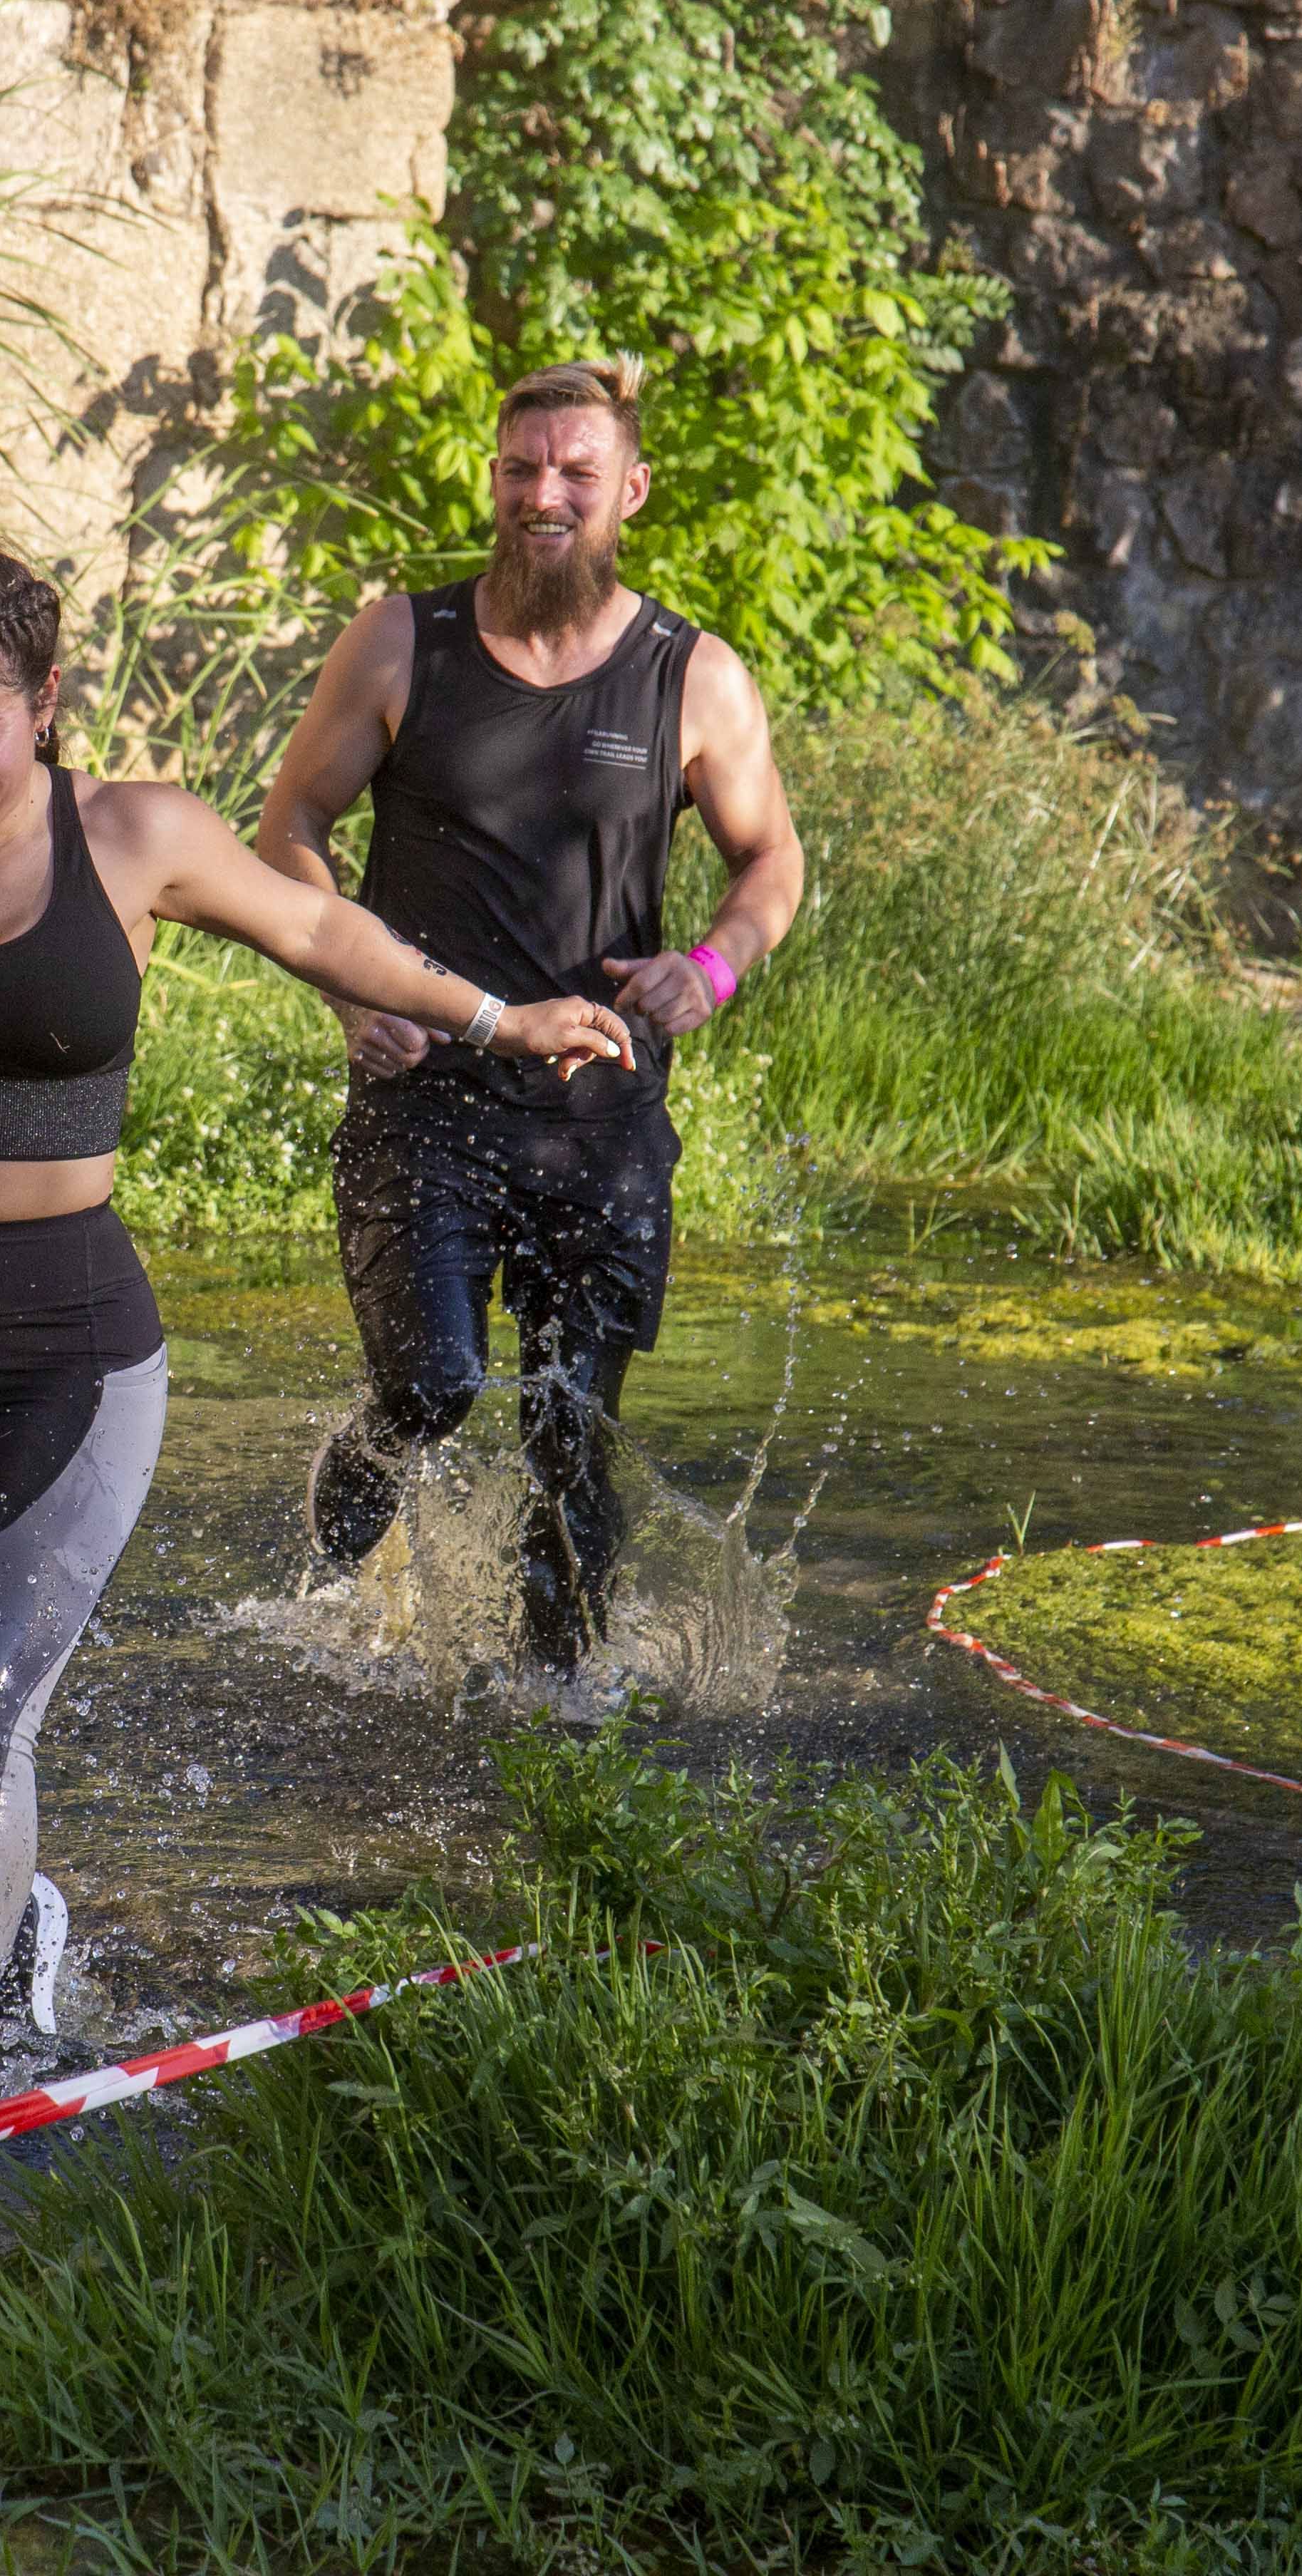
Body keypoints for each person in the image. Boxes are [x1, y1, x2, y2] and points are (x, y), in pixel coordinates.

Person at [0, 543, 635, 2093]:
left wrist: (499, 1016)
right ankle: (20, 1939)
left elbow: (324, 936)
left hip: (65, 1348)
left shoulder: (138, 835)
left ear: (46, 702)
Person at [257, 359, 806, 1674]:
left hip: (600, 1119)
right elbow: (287, 830)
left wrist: (713, 969)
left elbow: (771, 862)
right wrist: (346, 983)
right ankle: (322, 1616)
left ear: (630, 489)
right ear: (494, 480)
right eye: (520, 470)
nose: (541, 495)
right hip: (423, 1102)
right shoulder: (403, 644)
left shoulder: (694, 675)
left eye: (573, 472)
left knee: (573, 1435)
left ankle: (556, 1715)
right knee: (431, 1393)